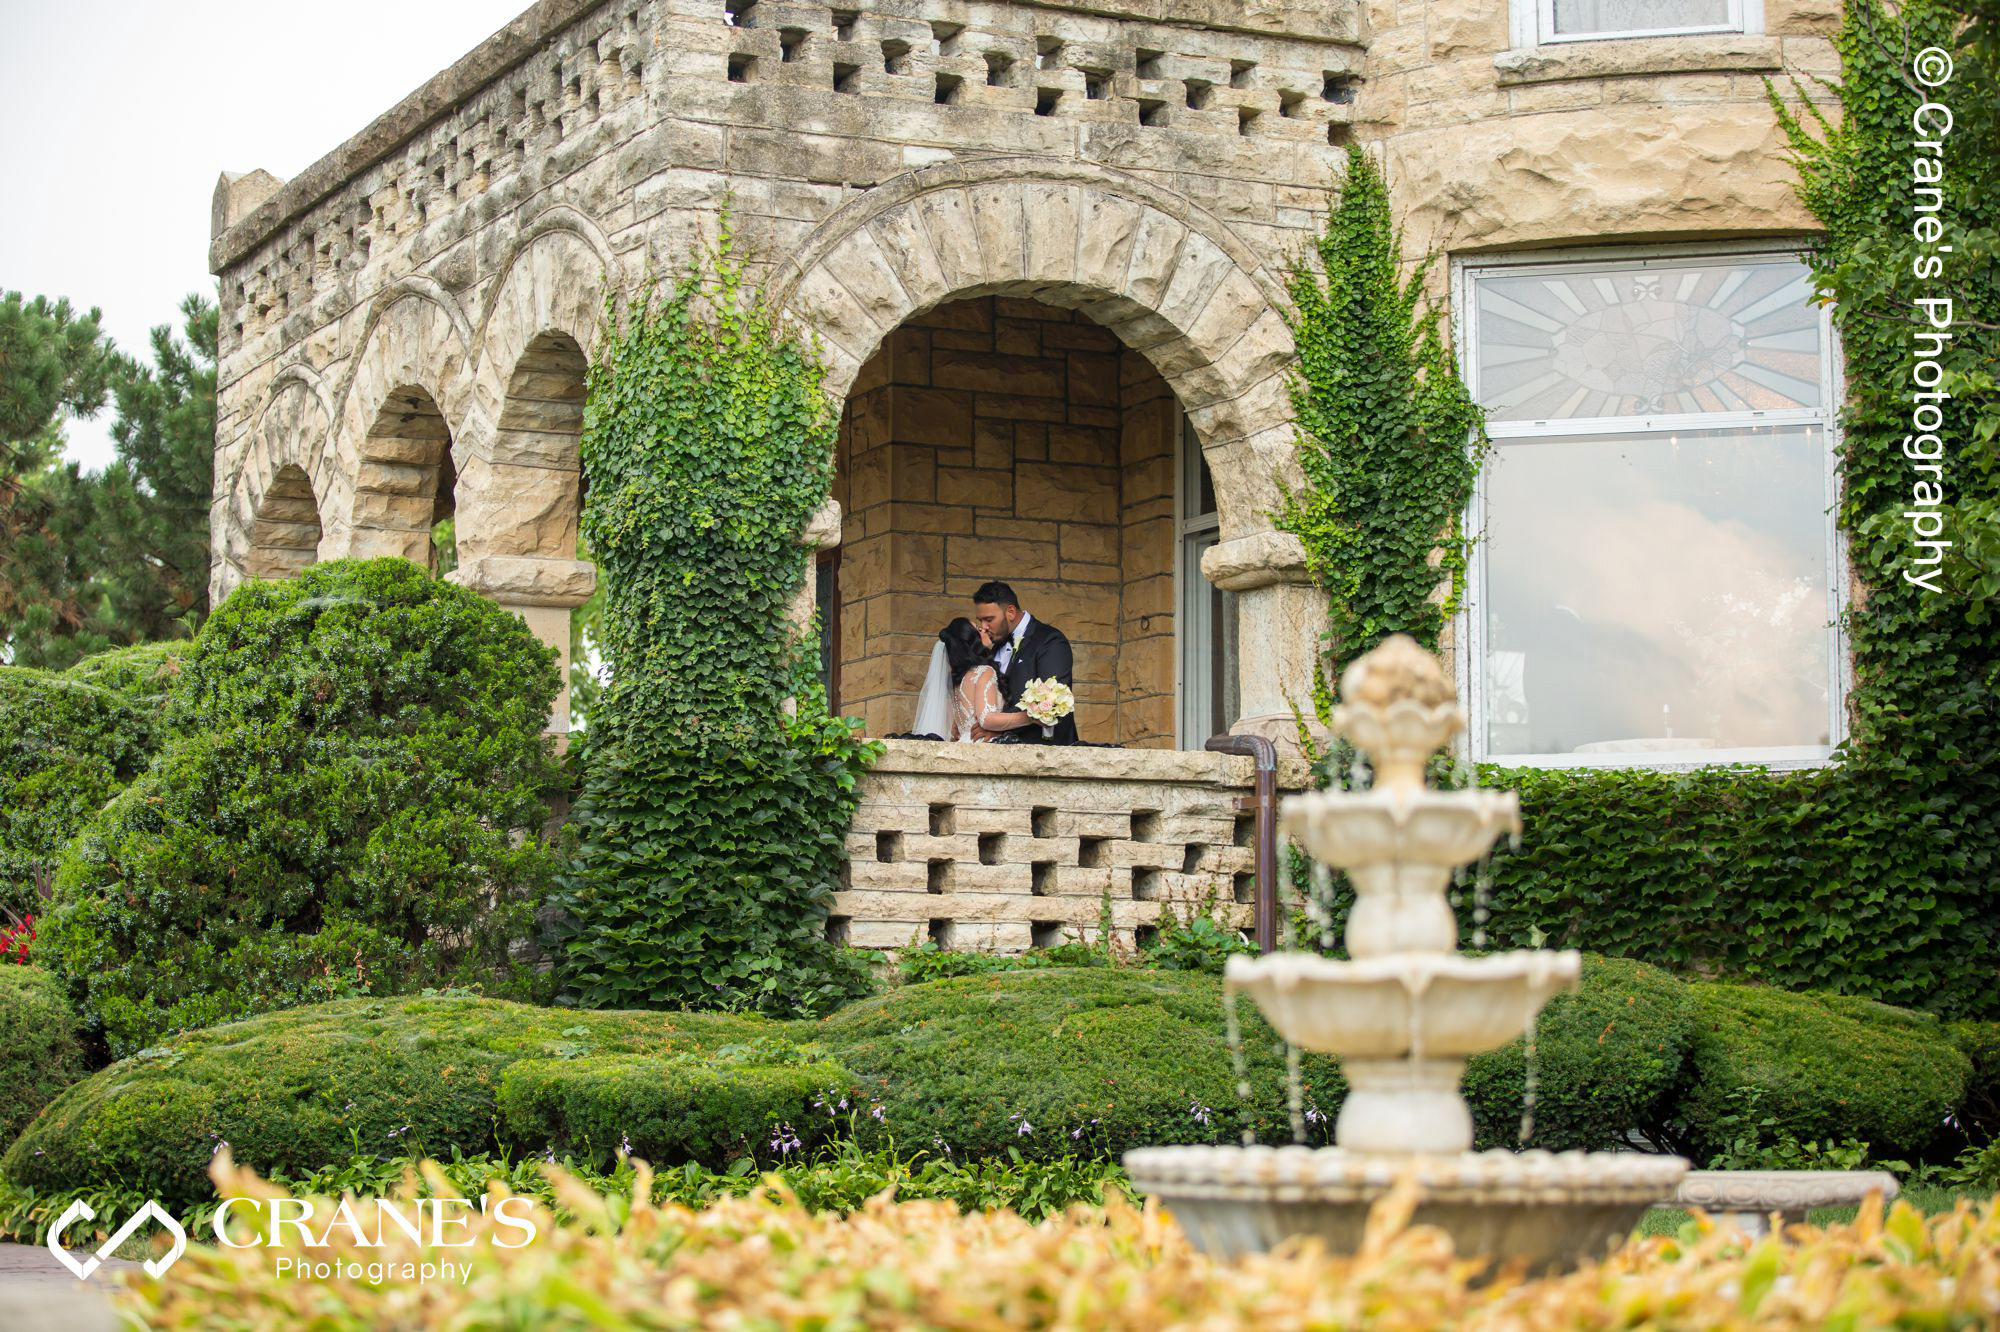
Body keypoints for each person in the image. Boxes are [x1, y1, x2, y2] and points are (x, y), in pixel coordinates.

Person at [971, 580, 1078, 745]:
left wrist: (998, 726)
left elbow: (1052, 700)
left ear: (1011, 612)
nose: (983, 627)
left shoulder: (1050, 641)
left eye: (989, 619)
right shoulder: (994, 648)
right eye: (980, 620)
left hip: (1047, 752)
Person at [910, 617, 1032, 741]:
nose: (984, 629)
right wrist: (1030, 717)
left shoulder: (957, 680)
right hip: (982, 745)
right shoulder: (984, 671)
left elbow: (954, 730)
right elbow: (986, 719)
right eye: (978, 630)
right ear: (971, 640)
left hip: (964, 743)